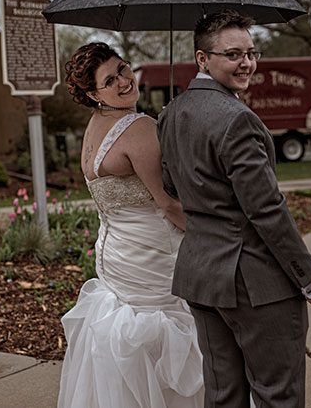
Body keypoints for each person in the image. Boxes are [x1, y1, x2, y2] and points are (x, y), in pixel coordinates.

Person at [158, 10, 311, 408]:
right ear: (203, 59)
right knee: (278, 396)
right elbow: (266, 209)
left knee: (222, 396)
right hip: (256, 282)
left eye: (252, 53)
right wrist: (308, 276)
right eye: (233, 54)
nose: (247, 63)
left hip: (201, 276)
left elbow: (169, 185)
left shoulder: (170, 114)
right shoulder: (237, 119)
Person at [57, 42, 204, 408]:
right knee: (169, 339)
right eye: (110, 80)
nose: (124, 81)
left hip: (117, 256)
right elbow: (168, 203)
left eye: (123, 69)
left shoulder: (95, 128)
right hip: (153, 257)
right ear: (93, 93)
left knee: (136, 349)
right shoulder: (139, 128)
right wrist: (210, 233)